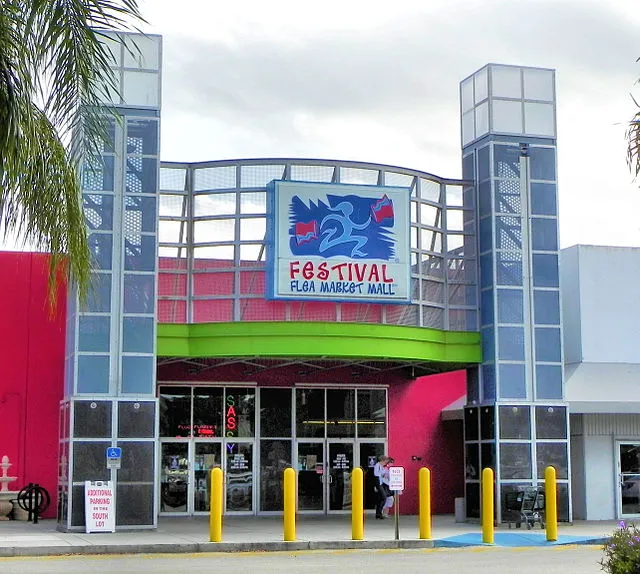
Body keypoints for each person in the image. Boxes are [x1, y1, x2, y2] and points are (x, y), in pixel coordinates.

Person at [373, 455, 390, 519]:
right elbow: (376, 474)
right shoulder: (377, 465)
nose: (386, 462)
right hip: (378, 484)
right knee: (384, 498)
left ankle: (378, 514)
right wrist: (382, 474)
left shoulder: (382, 466)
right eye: (385, 461)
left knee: (380, 499)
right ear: (382, 460)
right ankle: (379, 513)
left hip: (381, 483)